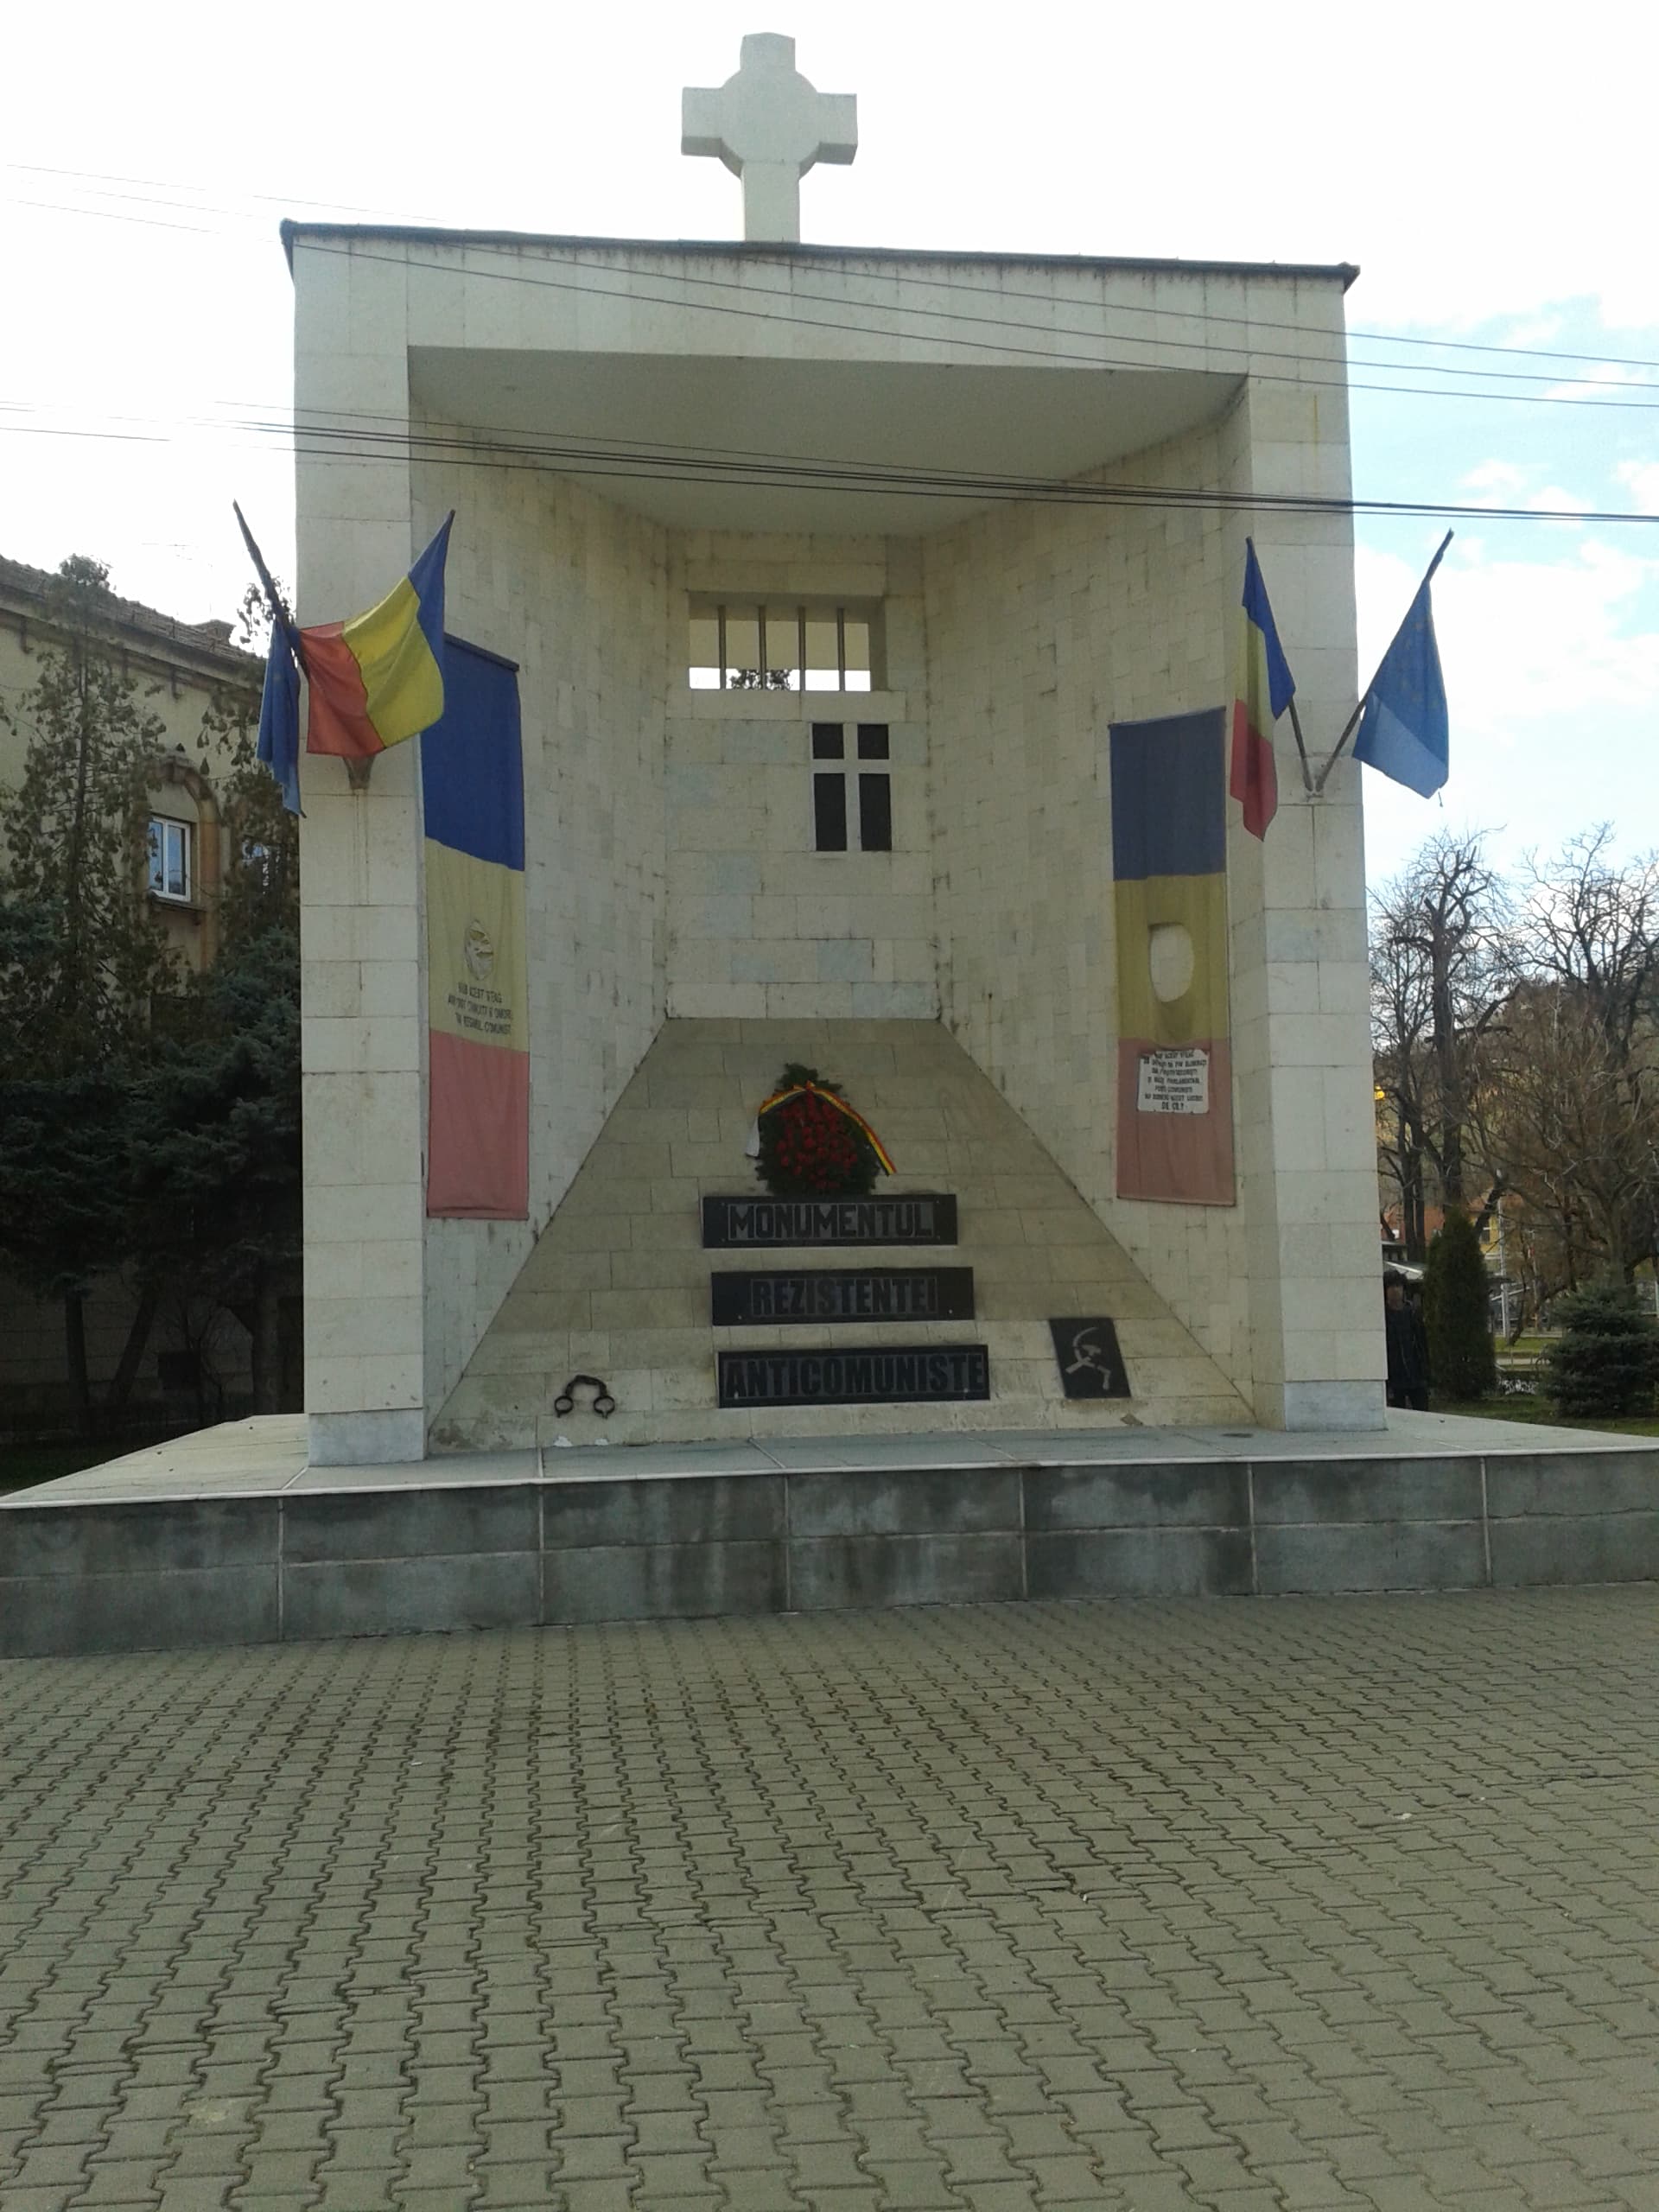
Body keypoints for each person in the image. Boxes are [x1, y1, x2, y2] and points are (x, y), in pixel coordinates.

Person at [1383, 1269, 1431, 1410]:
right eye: (1391, 1287)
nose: (1395, 1290)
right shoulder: (1383, 1317)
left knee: (1422, 1412)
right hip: (1394, 1376)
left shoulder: (1413, 1313)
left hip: (1416, 1373)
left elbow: (1423, 1342)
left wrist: (1426, 1369)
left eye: (1398, 1286)